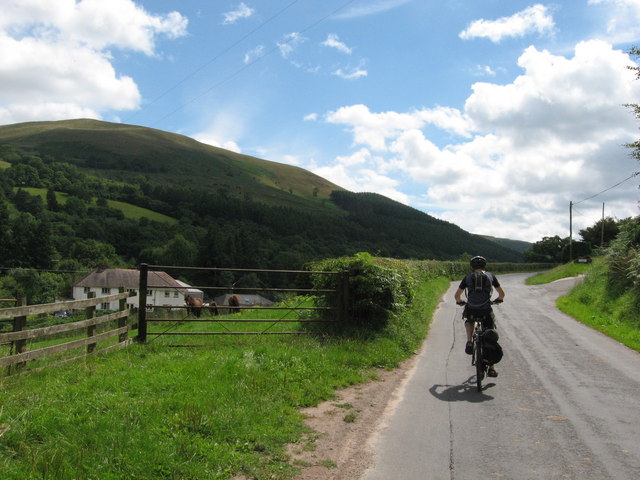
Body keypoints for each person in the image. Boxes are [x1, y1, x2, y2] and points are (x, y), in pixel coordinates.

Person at [454, 255, 505, 377]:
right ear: (484, 266)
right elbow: (502, 294)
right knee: (490, 332)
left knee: (469, 320)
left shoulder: (467, 277)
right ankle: (492, 368)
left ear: (472, 267)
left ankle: (469, 341)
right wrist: (498, 300)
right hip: (486, 309)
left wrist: (460, 302)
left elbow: (457, 295)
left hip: (471, 309)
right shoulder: (491, 276)